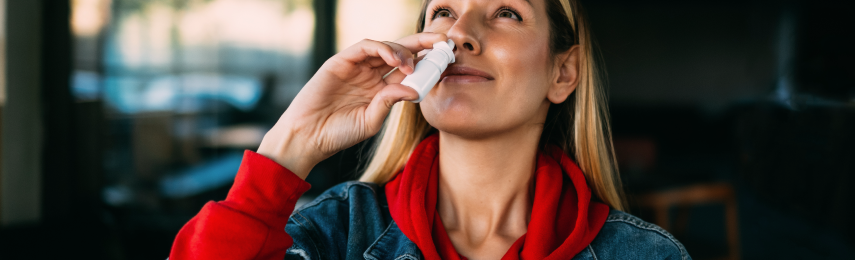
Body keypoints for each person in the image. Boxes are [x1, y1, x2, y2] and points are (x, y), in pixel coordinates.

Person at [169, 0, 691, 259]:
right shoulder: (335, 236)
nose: (459, 32)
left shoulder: (645, 255)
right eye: (443, 11)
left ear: (563, 72)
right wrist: (291, 145)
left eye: (506, 12)